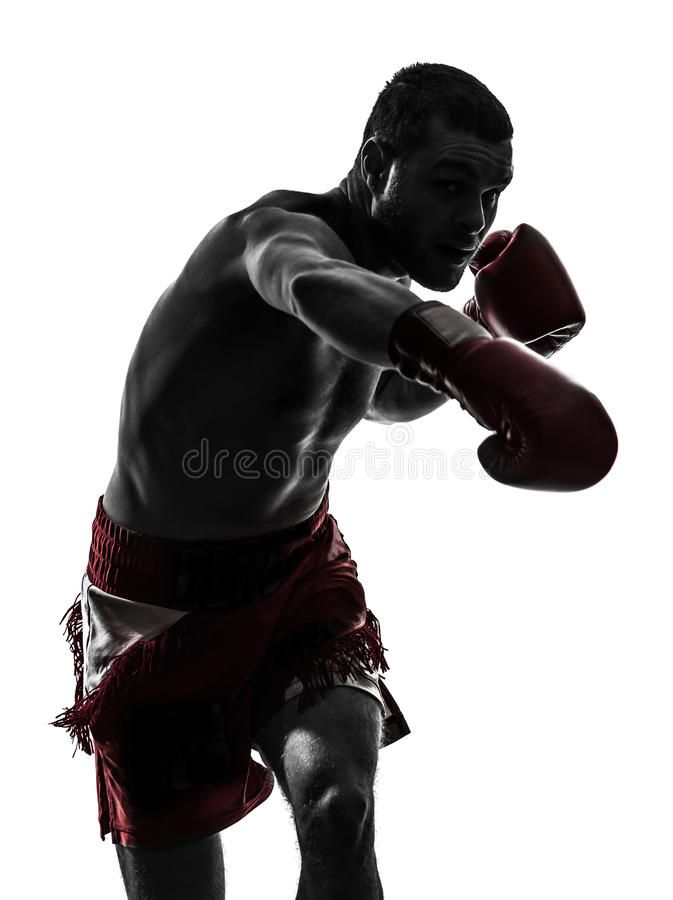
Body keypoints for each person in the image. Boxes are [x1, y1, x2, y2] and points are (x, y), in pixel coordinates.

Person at [50, 62, 617, 900]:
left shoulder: (382, 287)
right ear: (376, 159)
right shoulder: (271, 238)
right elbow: (313, 287)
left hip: (297, 576)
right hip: (155, 602)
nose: (472, 220)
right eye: (450, 183)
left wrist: (475, 332)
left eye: (491, 195)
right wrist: (473, 356)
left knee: (338, 806)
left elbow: (381, 392)